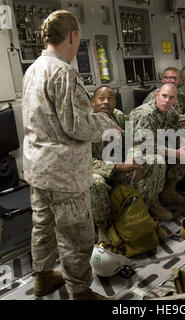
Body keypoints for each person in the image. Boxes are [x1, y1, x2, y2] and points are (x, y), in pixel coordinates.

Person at [22, 10, 122, 300]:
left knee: (43, 225)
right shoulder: (64, 72)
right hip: (65, 172)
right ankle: (80, 291)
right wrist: (108, 124)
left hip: (37, 167)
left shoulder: (33, 69)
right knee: (75, 233)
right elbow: (77, 124)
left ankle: (42, 277)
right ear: (72, 36)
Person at [90, 86, 172, 243]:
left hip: (122, 167)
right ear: (93, 102)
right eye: (101, 98)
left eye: (110, 98)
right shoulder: (84, 123)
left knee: (154, 160)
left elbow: (134, 142)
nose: (106, 102)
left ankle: (145, 212)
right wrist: (117, 167)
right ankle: (103, 228)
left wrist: (134, 160)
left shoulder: (119, 117)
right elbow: (84, 161)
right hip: (100, 171)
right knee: (95, 182)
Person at [129, 83, 185, 209]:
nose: (167, 100)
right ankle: (153, 202)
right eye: (164, 96)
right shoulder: (147, 114)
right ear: (157, 95)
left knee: (183, 153)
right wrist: (176, 153)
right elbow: (145, 146)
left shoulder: (170, 111)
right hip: (134, 149)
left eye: (171, 98)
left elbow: (178, 130)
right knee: (158, 160)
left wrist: (184, 147)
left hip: (155, 144)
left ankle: (169, 192)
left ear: (175, 100)